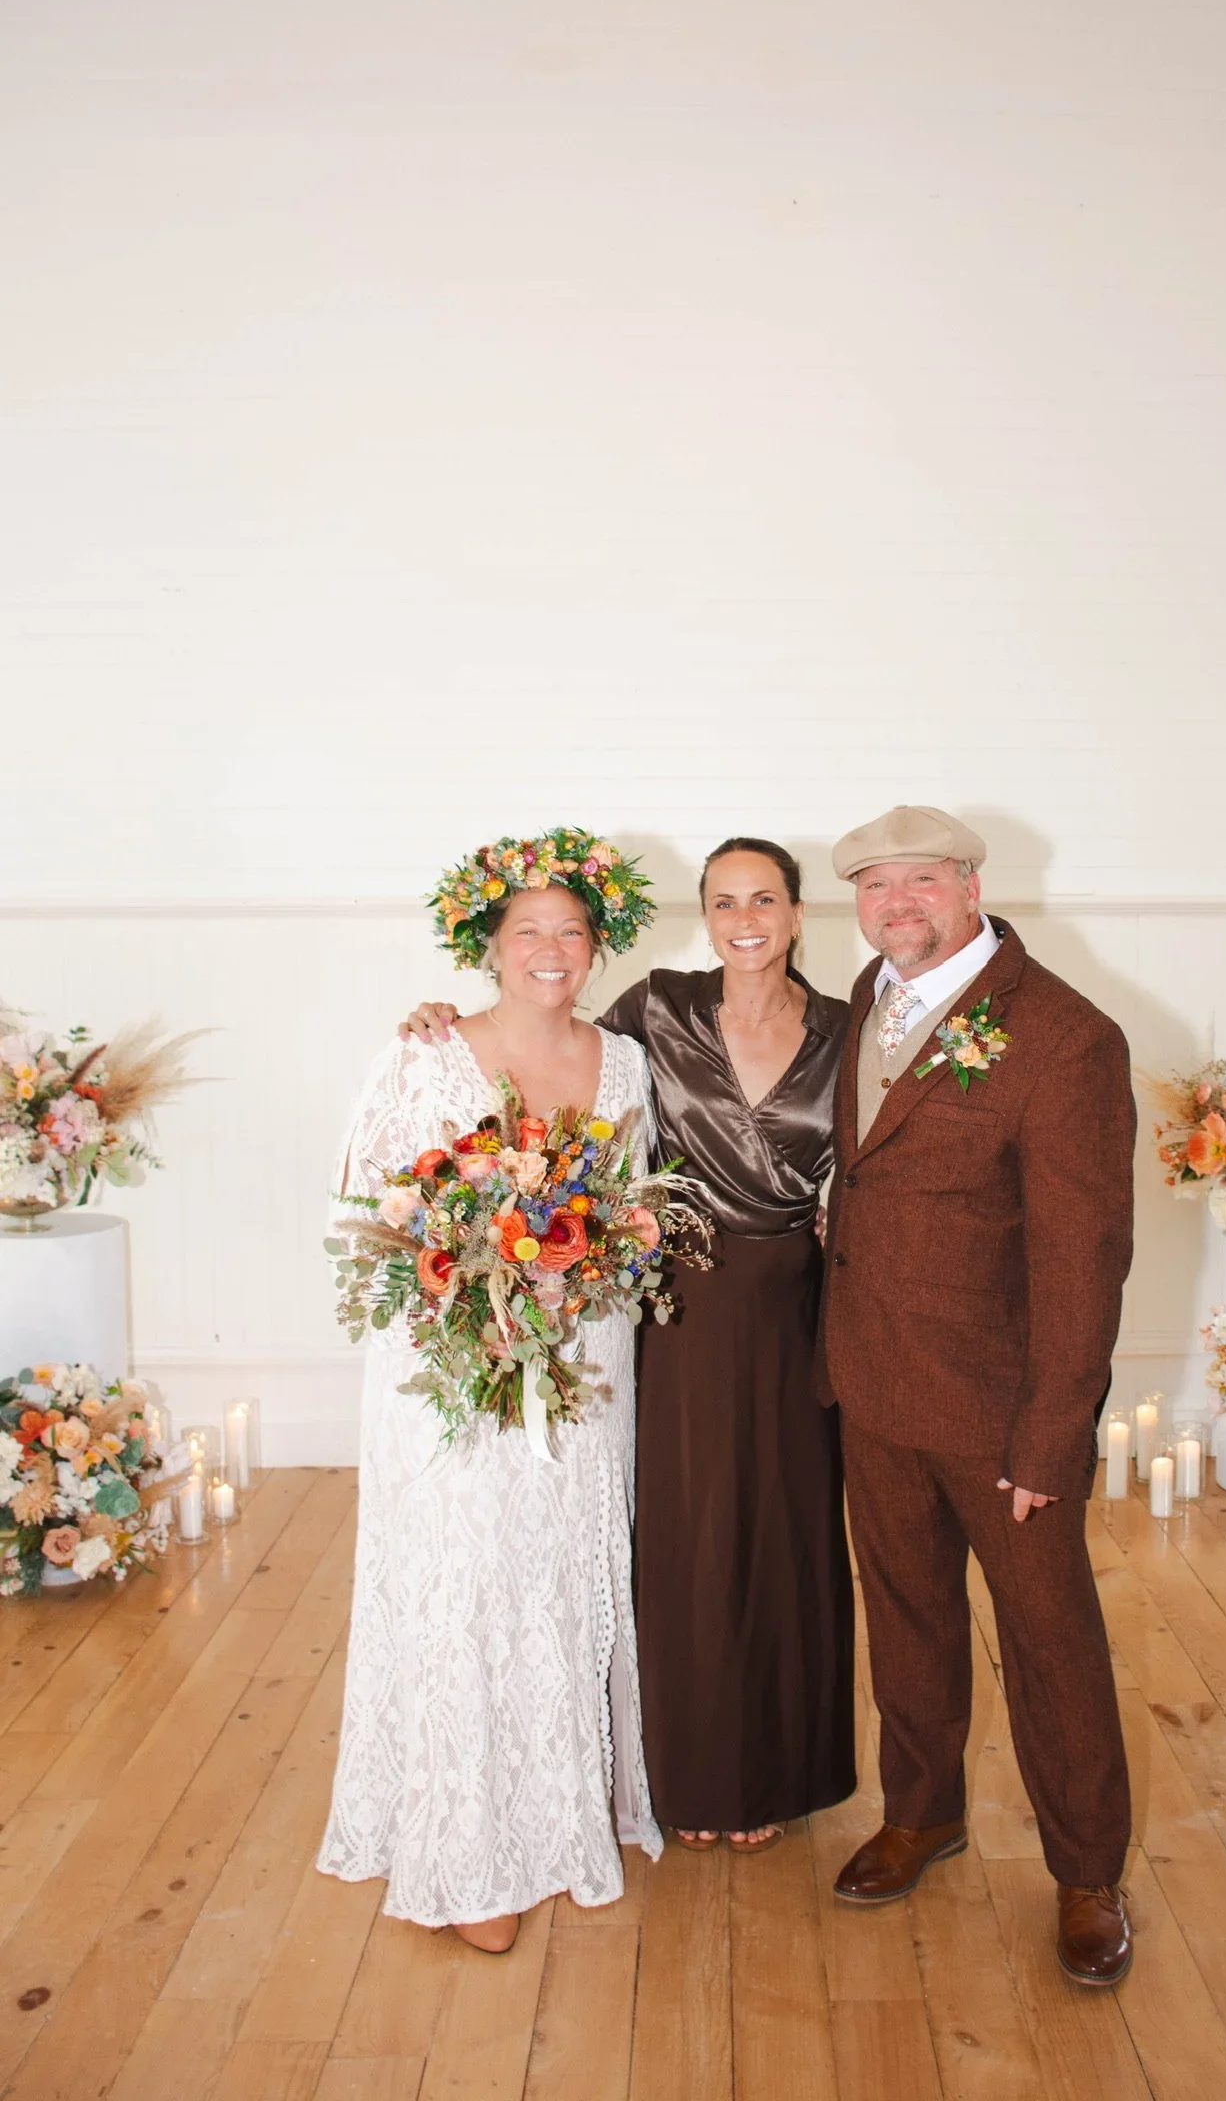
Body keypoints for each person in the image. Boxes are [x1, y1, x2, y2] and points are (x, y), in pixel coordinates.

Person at [404, 837, 856, 1853]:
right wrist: (440, 1020)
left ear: (794, 913)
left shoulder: (843, 1026)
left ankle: (776, 1775)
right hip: (676, 1306)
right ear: (705, 915)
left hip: (794, 1305)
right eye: (725, 901)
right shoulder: (658, 1008)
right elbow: (541, 1050)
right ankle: (687, 1777)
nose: (745, 920)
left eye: (765, 900)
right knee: (685, 1538)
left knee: (786, 1535)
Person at [318, 829, 662, 1955]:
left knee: (557, 1580)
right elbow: (370, 1217)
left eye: (572, 930)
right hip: (460, 1368)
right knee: (470, 1582)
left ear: (597, 943)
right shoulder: (428, 1055)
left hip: (584, 1361)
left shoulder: (624, 1062)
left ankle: (560, 1822)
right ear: (490, 944)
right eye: (530, 932)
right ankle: (467, 1855)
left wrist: (594, 1262)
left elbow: (634, 1211)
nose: (553, 950)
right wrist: (482, 1291)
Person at [817, 804, 1137, 1988]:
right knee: (904, 1618)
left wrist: (1054, 1434)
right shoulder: (869, 994)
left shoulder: (1064, 1036)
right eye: (874, 885)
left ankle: (1088, 1871)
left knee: (1050, 1644)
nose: (897, 904)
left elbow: (1081, 1255)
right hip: (874, 1382)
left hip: (1006, 1416)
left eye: (922, 881)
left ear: (971, 883)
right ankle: (923, 1812)